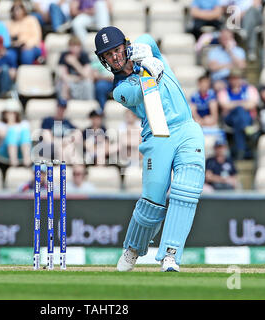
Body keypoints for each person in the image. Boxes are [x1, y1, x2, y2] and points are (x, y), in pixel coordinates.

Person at [94, 26, 205, 272]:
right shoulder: (119, 91)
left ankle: (171, 255)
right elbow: (138, 91)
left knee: (187, 189)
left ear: (125, 45)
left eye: (117, 50)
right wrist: (149, 73)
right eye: (108, 55)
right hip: (158, 136)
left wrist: (146, 53)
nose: (114, 57)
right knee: (153, 203)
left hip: (186, 128)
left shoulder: (146, 52)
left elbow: (148, 40)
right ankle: (133, 248)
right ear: (103, 60)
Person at [217, 68, 259, 159]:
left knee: (238, 118)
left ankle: (240, 150)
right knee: (239, 111)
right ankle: (247, 131)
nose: (235, 80)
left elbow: (253, 104)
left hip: (246, 118)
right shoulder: (223, 91)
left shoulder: (250, 89)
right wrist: (242, 104)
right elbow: (225, 106)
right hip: (229, 118)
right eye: (233, 78)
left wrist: (234, 104)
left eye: (237, 78)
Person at [57, 35, 94, 101]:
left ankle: (89, 105)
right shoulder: (64, 55)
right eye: (71, 46)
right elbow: (63, 76)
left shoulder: (84, 56)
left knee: (88, 83)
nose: (74, 48)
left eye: (76, 46)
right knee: (63, 84)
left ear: (80, 47)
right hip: (70, 82)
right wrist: (77, 78)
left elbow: (86, 75)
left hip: (81, 83)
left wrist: (75, 63)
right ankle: (64, 105)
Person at [190, 74, 225, 140]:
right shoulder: (194, 96)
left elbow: (214, 115)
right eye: (202, 83)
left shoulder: (212, 95)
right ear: (198, 84)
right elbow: (193, 111)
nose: (204, 85)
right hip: (199, 120)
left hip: (209, 120)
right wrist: (199, 120)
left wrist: (209, 120)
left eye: (206, 83)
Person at [7, 0, 42, 65]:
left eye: (18, 9)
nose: (16, 12)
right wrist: (14, 43)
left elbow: (37, 36)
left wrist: (27, 45)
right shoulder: (10, 23)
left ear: (23, 10)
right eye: (15, 10)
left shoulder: (31, 19)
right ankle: (13, 72)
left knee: (26, 54)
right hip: (16, 47)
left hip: (31, 46)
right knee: (10, 55)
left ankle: (25, 73)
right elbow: (8, 38)